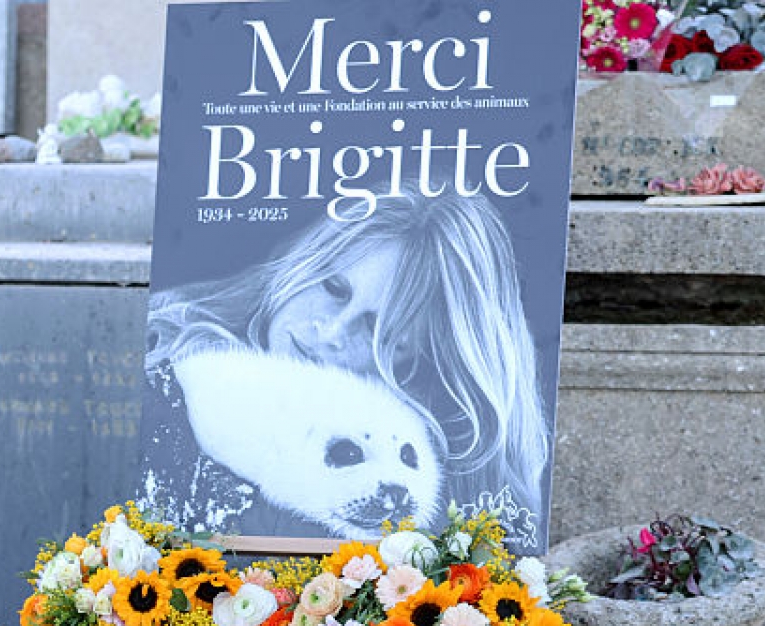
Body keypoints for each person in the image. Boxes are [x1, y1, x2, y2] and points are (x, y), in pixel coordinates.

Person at [141, 191, 549, 550]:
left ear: (414, 365)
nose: (332, 332)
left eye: (378, 331)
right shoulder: (163, 358)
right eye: (334, 289)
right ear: (303, 263)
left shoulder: (414, 478)